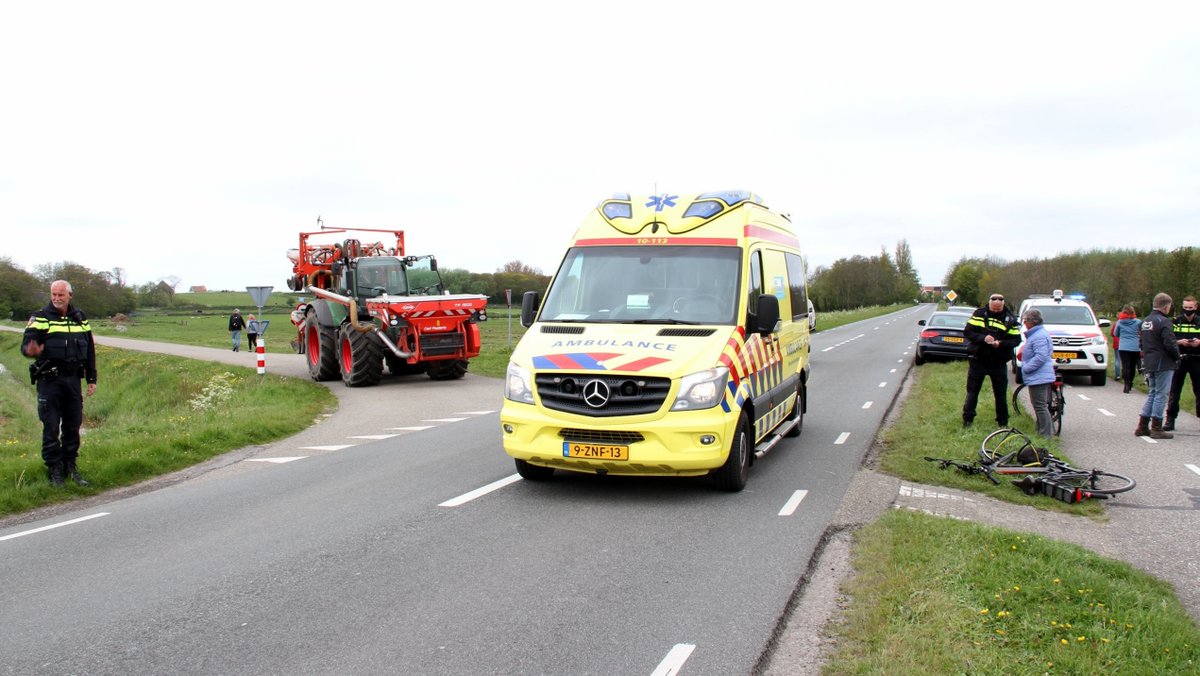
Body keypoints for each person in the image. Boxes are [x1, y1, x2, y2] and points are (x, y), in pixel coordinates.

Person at [21, 280, 97, 487]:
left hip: (73, 380)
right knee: (51, 427)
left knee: (73, 426)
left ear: (70, 295)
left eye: (60, 295)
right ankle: (54, 471)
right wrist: (31, 350)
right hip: (49, 381)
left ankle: (70, 467)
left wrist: (92, 378)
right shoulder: (40, 318)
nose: (56, 298)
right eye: (53, 294)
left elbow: (90, 350)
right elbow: (26, 346)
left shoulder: (80, 319)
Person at [962, 293, 1022, 428]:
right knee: (972, 392)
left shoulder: (1010, 319)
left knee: (1000, 394)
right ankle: (967, 420)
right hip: (978, 360)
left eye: (998, 309)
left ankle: (1002, 422)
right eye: (993, 308)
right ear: (989, 303)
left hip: (998, 362)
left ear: (1003, 305)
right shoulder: (979, 314)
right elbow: (968, 332)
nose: (996, 311)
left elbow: (1016, 340)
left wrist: (1000, 343)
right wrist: (983, 338)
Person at [1136, 292, 1179, 439]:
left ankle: (1142, 425)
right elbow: (1169, 343)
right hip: (1163, 362)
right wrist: (1177, 356)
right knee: (1161, 394)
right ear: (1166, 306)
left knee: (1153, 392)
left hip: (1149, 361)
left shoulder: (1145, 321)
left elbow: (1141, 343)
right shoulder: (1164, 321)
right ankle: (1156, 427)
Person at [1164, 295, 1200, 431]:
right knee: (1174, 391)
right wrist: (1179, 342)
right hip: (1180, 359)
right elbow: (1168, 340)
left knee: (1199, 391)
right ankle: (1170, 419)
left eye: (1190, 308)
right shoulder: (1175, 321)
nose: (1188, 310)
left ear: (1196, 307)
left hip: (1197, 359)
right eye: (1185, 308)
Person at [1020, 308, 1056, 437]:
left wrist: (1026, 368)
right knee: (1038, 405)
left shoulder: (1039, 336)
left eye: (1025, 321)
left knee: (1040, 406)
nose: (1024, 323)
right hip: (1039, 375)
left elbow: (1040, 356)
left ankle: (1046, 435)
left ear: (1031, 322)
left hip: (1039, 376)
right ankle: (1040, 431)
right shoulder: (1038, 334)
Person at [1114, 305, 1142, 394]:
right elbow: (1142, 333)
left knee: (1126, 366)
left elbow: (1116, 333)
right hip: (1135, 347)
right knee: (1132, 366)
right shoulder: (1138, 322)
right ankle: (1130, 382)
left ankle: (1125, 384)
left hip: (1123, 347)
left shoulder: (1120, 322)